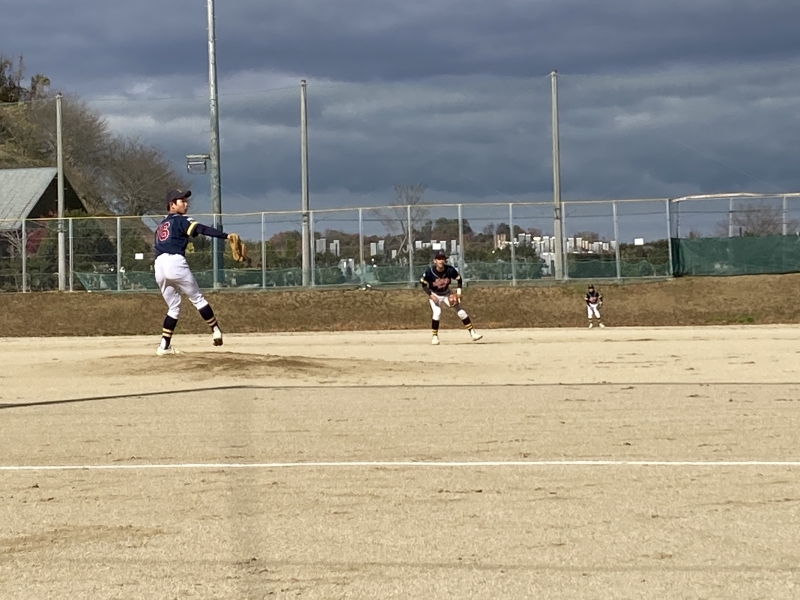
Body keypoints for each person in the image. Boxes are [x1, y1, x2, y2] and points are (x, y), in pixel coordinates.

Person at [153, 188, 233, 355]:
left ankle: (164, 346)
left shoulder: (160, 226)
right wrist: (225, 236)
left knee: (173, 307)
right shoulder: (180, 220)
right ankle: (216, 330)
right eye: (182, 201)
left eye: (185, 200)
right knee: (197, 298)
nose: (186, 204)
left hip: (159, 265)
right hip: (175, 262)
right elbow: (201, 229)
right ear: (172, 205)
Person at [420, 252, 483, 345]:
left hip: (446, 293)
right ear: (435, 261)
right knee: (437, 312)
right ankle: (434, 337)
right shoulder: (430, 272)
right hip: (435, 294)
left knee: (461, 311)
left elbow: (459, 279)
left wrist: (458, 293)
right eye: (439, 259)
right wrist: (431, 295)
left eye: (442, 259)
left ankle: (473, 333)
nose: (441, 261)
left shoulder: (449, 270)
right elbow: (423, 284)